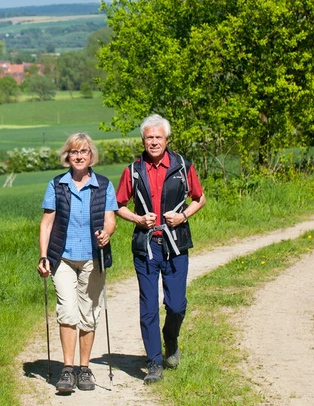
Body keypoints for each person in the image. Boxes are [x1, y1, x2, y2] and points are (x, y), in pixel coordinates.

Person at [116, 114, 206, 384]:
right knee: (148, 307)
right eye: (149, 137)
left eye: (158, 137)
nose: (153, 142)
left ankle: (171, 337)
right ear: (143, 140)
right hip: (146, 246)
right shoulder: (133, 170)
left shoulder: (182, 166)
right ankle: (154, 362)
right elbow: (118, 205)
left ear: (167, 139)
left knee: (176, 305)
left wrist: (183, 217)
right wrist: (137, 219)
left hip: (176, 244)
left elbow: (200, 198)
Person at [37, 132, 118, 393]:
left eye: (84, 151)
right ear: (67, 156)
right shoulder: (57, 185)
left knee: (89, 315)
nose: (79, 156)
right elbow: (47, 223)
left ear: (91, 155)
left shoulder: (104, 185)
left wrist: (107, 233)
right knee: (68, 311)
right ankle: (68, 369)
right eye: (74, 152)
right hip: (62, 258)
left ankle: (85, 370)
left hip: (94, 259)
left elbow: (110, 220)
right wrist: (43, 256)